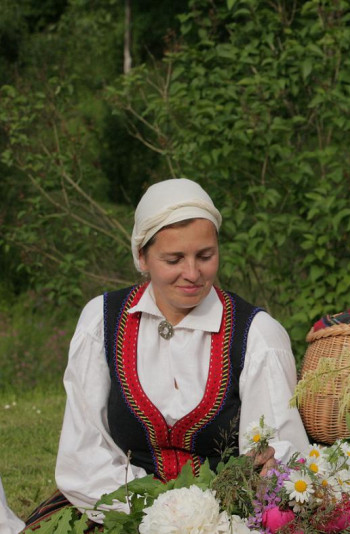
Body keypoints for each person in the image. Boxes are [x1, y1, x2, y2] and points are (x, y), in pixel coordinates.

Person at [24, 178, 309, 529]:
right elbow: (83, 451)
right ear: (141, 257)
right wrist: (156, 516)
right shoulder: (101, 321)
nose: (192, 273)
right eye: (173, 259)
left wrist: (212, 514)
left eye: (205, 256)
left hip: (225, 517)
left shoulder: (258, 334)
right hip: (117, 506)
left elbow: (281, 449)